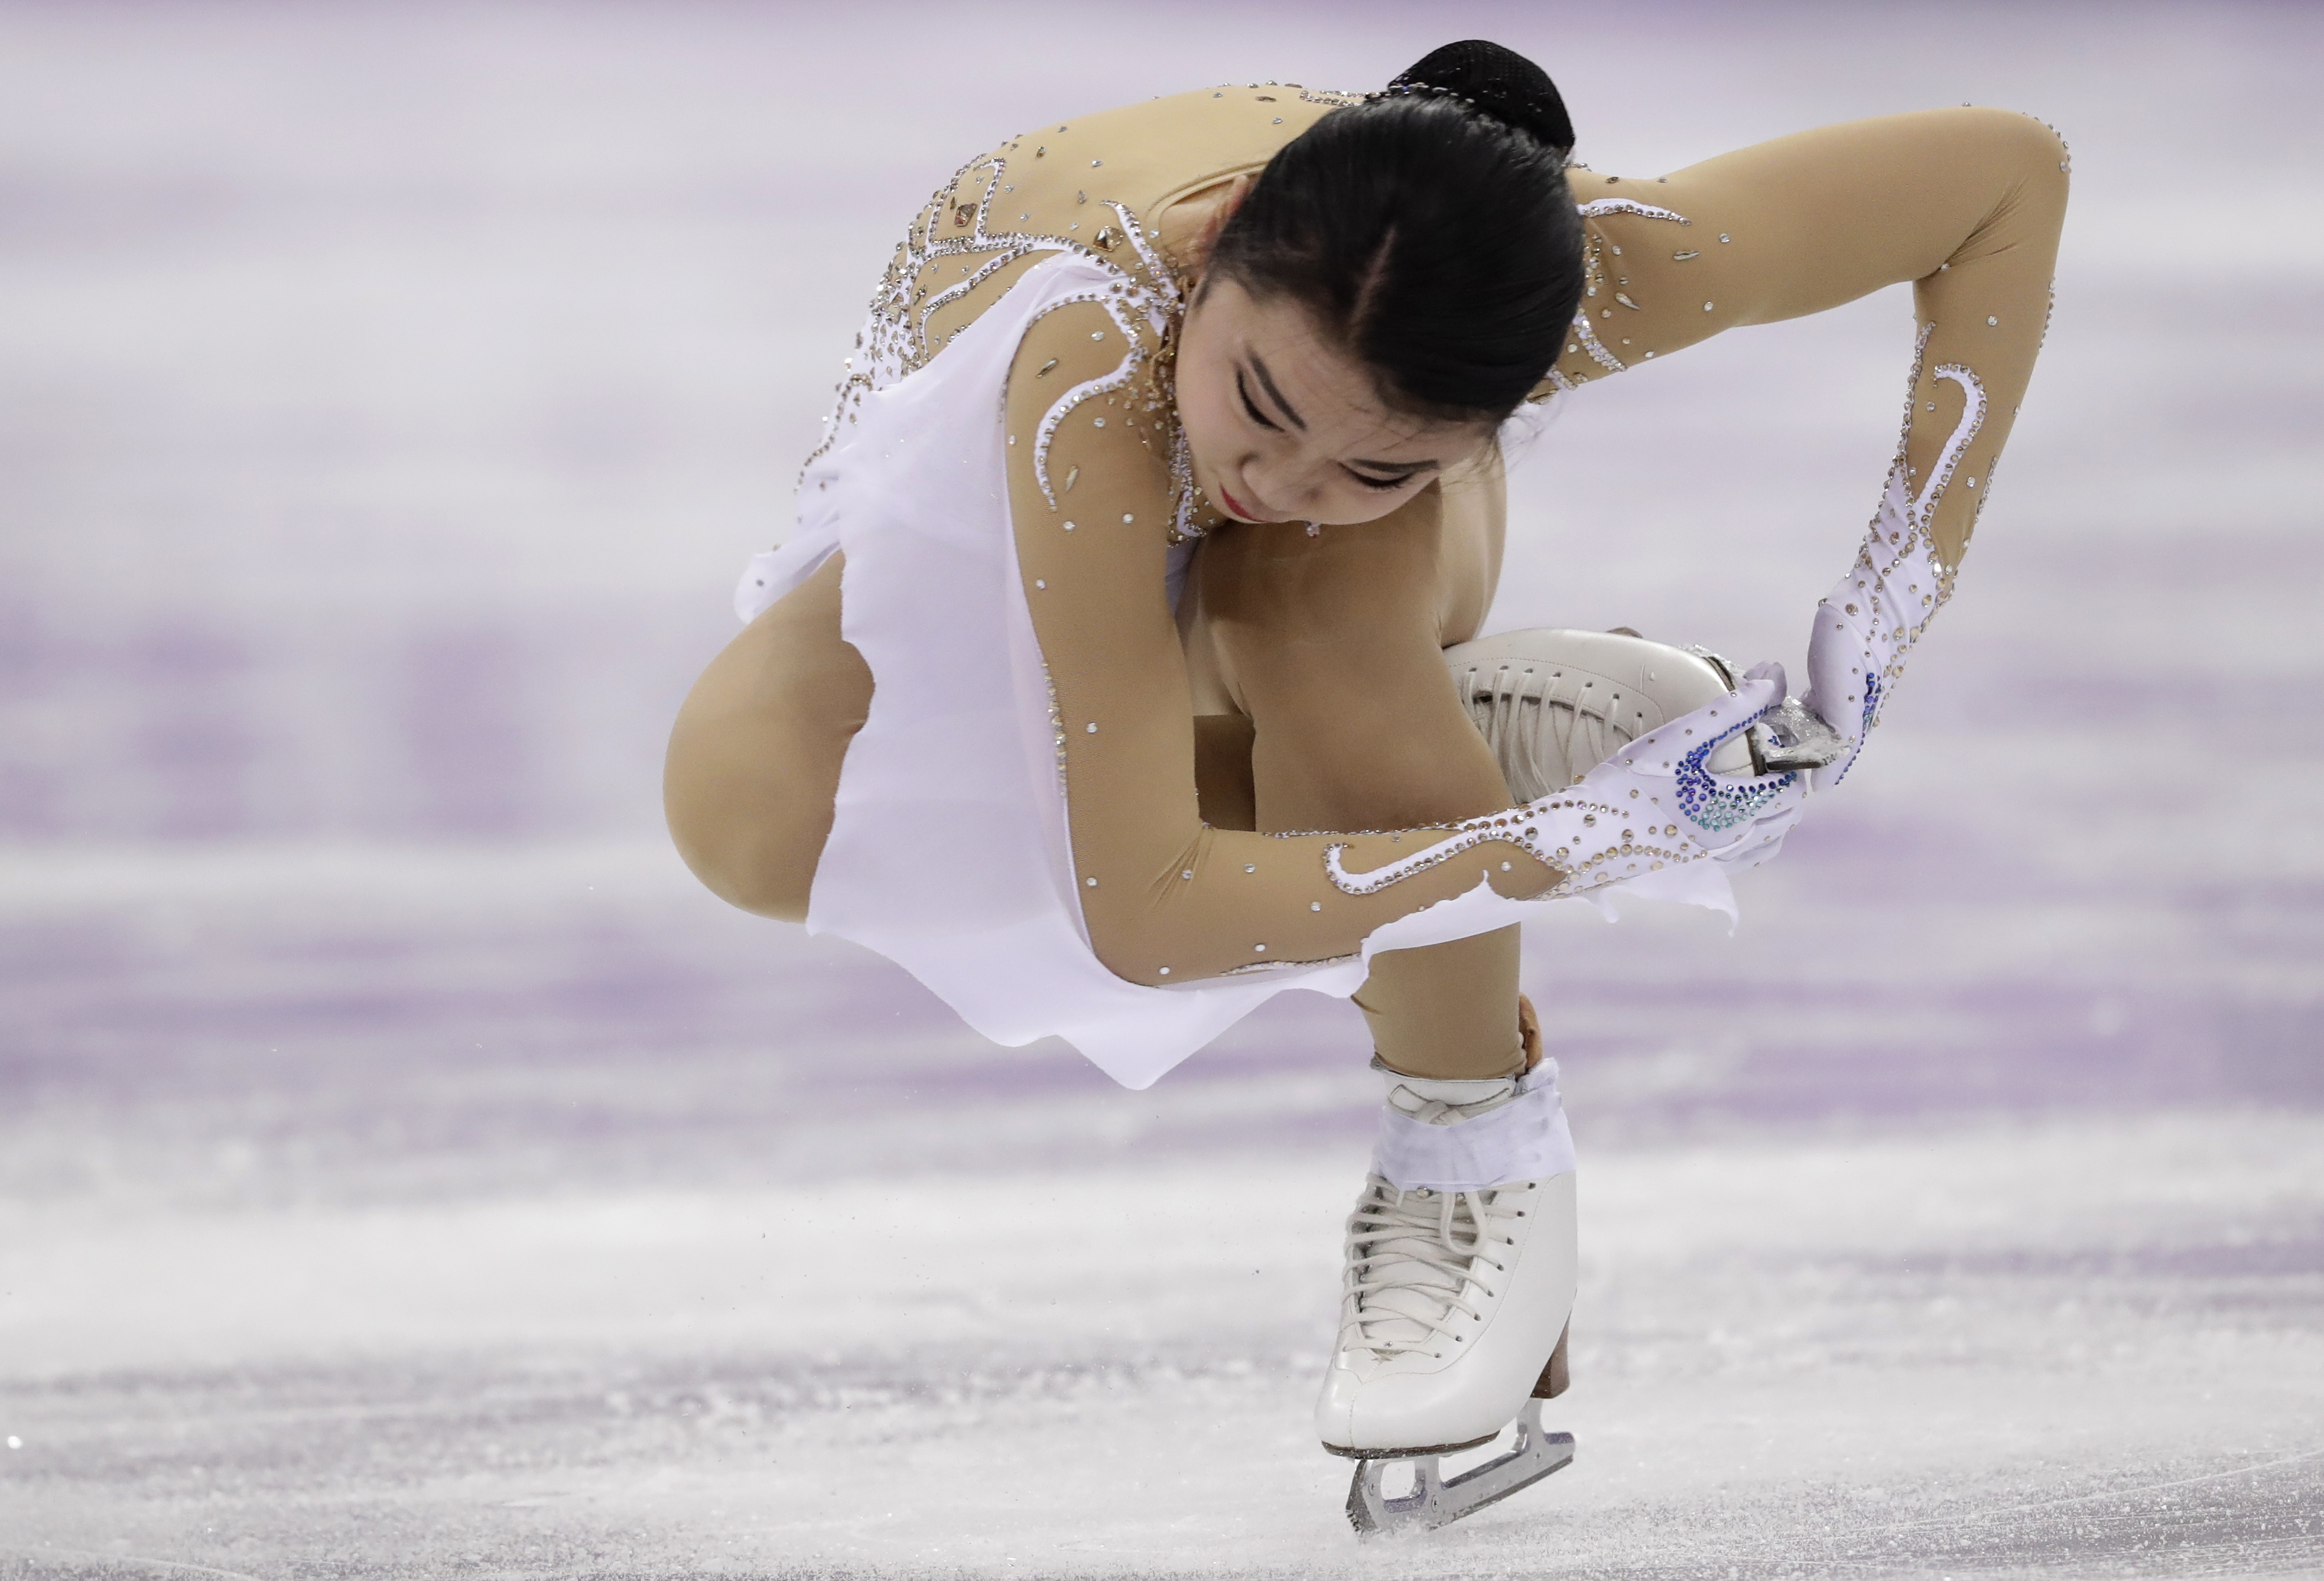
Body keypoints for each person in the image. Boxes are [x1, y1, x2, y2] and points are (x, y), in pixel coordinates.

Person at [664, 40, 2067, 1530]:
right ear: (1215, 256)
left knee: (1305, 607)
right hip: (1066, 434)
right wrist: (1568, 841)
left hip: (1312, 492)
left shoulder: (1604, 273)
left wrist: (1877, 625)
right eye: (1262, 406)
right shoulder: (1096, 368)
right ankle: (1467, 756)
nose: (1281, 477)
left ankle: (1469, 1150)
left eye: (1381, 465)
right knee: (752, 815)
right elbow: (1138, 917)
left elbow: (1999, 179)